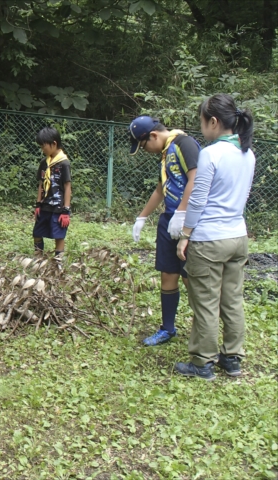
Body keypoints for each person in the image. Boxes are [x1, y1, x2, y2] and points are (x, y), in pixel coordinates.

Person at [174, 94, 255, 380]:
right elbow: (244, 196)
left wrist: (185, 234)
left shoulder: (211, 153)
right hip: (238, 236)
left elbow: (198, 200)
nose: (201, 127)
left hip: (209, 239)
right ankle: (232, 358)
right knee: (232, 299)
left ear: (213, 121)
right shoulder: (248, 153)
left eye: (202, 121)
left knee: (206, 301)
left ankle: (202, 362)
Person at [129, 116, 201, 346]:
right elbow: (162, 188)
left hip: (188, 222)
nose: (145, 150)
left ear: (153, 136)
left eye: (143, 145)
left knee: (191, 278)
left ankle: (203, 331)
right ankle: (167, 328)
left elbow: (196, 178)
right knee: (168, 274)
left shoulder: (183, 144)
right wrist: (142, 216)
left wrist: (182, 213)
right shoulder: (165, 152)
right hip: (169, 220)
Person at [33, 127, 72, 257]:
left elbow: (67, 186)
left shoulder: (64, 163)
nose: (42, 149)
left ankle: (58, 264)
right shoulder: (44, 163)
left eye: (43, 146)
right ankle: (38, 259)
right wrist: (38, 204)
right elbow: (41, 183)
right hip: (45, 205)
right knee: (37, 232)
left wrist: (66, 210)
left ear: (54, 143)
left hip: (59, 207)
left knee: (59, 236)